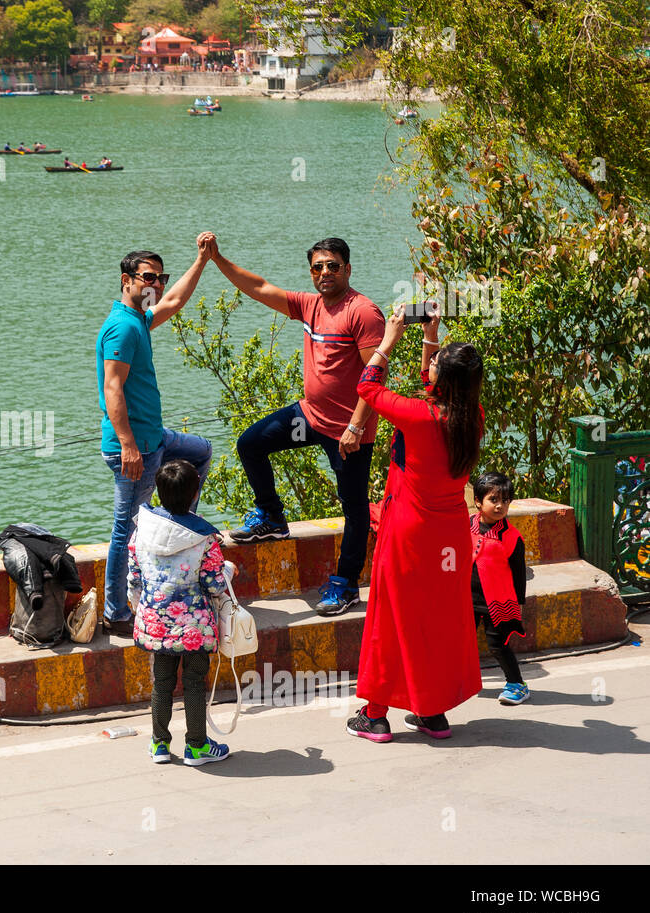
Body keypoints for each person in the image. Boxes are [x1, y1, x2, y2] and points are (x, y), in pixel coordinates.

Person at [208, 237, 386, 615]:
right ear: (311, 272)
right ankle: (271, 516)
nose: (325, 273)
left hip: (349, 431)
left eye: (333, 266)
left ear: (348, 269)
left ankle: (346, 584)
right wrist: (216, 258)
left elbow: (377, 376)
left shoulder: (364, 312)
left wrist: (355, 427)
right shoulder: (309, 305)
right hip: (310, 416)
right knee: (251, 443)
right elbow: (258, 288)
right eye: (318, 266)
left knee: (353, 508)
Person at [347, 309, 485, 742]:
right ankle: (432, 712)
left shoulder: (418, 416)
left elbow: (367, 387)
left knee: (390, 619)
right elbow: (434, 390)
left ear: (444, 378)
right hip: (450, 538)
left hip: (409, 531)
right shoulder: (470, 417)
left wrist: (387, 340)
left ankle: (374, 715)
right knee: (436, 621)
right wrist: (430, 336)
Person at [98, 236, 216, 635]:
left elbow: (175, 302)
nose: (157, 285)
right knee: (125, 528)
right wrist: (129, 445)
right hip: (135, 448)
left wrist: (201, 260)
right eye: (149, 277)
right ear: (126, 280)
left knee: (200, 454)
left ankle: (176, 525)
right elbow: (112, 388)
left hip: (156, 439)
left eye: (160, 277)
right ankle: (116, 612)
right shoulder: (122, 329)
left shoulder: (139, 319)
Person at [128, 460, 233, 766]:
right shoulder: (203, 538)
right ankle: (197, 746)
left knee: (161, 683)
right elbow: (214, 585)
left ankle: (159, 745)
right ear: (194, 492)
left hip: (155, 623)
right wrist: (228, 571)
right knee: (195, 682)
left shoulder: (142, 531)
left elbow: (134, 579)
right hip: (193, 628)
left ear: (159, 491)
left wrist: (144, 610)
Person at [471, 471, 529, 704]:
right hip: (467, 600)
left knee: (498, 645)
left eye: (505, 501)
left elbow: (519, 574)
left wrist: (519, 603)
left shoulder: (512, 537)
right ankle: (460, 682)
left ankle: (517, 684)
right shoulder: (466, 526)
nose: (500, 506)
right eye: (493, 500)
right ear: (478, 501)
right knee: (461, 644)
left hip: (498, 603)